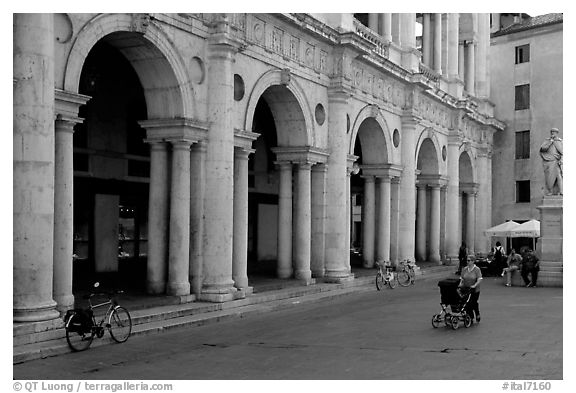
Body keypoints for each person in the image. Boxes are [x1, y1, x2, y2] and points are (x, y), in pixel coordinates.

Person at [459, 255, 483, 323]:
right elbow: (462, 278)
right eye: (467, 260)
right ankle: (470, 316)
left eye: (469, 260)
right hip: (466, 288)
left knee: (473, 302)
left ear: (473, 261)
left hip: (475, 289)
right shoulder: (465, 269)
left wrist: (474, 285)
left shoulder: (477, 269)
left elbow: (479, 279)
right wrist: (460, 284)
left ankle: (477, 313)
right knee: (467, 302)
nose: (467, 262)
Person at [539, 127, 563, 195]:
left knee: (559, 176)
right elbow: (543, 149)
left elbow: (562, 151)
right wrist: (550, 142)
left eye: (554, 132)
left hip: (556, 161)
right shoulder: (547, 141)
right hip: (549, 162)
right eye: (552, 132)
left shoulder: (559, 141)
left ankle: (561, 191)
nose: (553, 133)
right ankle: (550, 191)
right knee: (549, 177)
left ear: (557, 133)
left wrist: (561, 159)